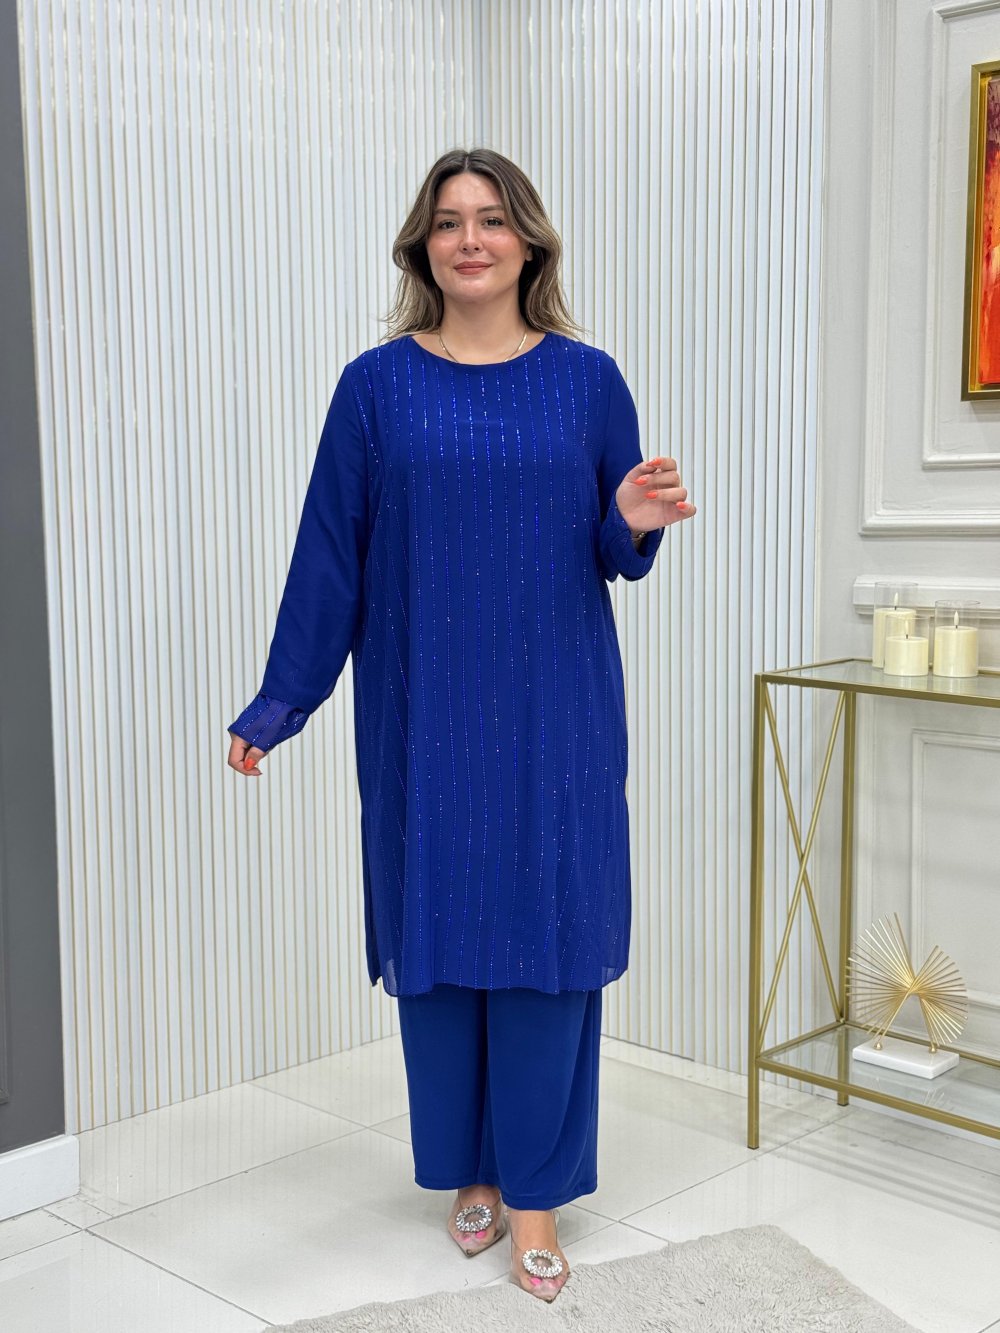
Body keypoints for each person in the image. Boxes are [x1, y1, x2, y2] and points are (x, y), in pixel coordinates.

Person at [227, 147, 696, 1304]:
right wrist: (281, 700)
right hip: (422, 714)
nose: (470, 240)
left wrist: (632, 518)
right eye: (448, 222)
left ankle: (535, 1192)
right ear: (421, 246)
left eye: (491, 220)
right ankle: (469, 1168)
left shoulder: (588, 381)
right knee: (439, 946)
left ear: (528, 243)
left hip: (554, 715)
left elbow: (613, 548)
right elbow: (330, 557)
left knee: (543, 942)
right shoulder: (374, 388)